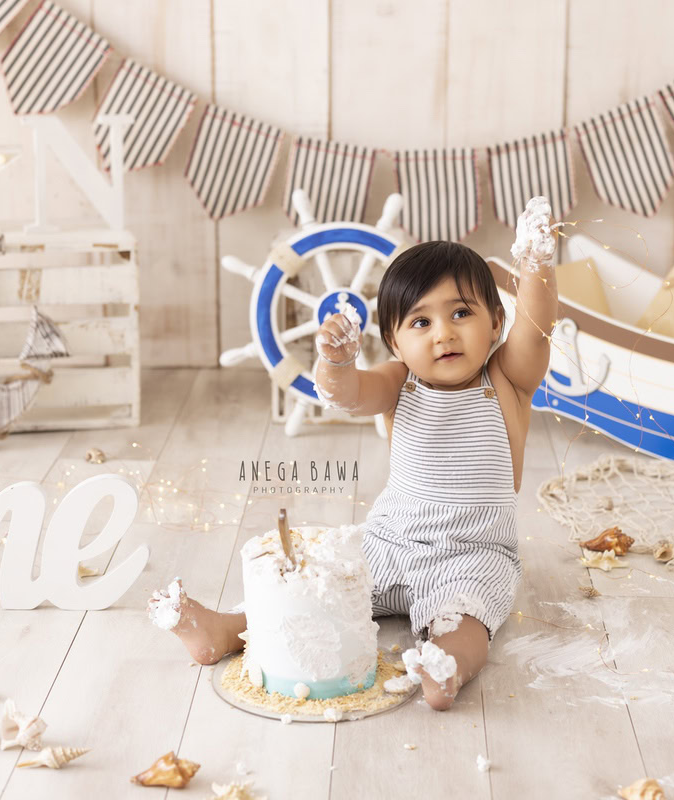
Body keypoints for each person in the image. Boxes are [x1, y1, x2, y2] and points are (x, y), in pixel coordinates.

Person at [150, 196, 559, 711]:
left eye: (461, 313)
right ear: (392, 340)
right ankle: (226, 630)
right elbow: (346, 395)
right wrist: (336, 363)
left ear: (496, 323)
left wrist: (536, 264)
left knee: (465, 620)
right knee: (315, 589)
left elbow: (537, 325)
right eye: (420, 322)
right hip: (390, 539)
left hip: (474, 553)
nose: (444, 332)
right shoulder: (398, 382)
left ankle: (445, 665)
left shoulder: (507, 379)